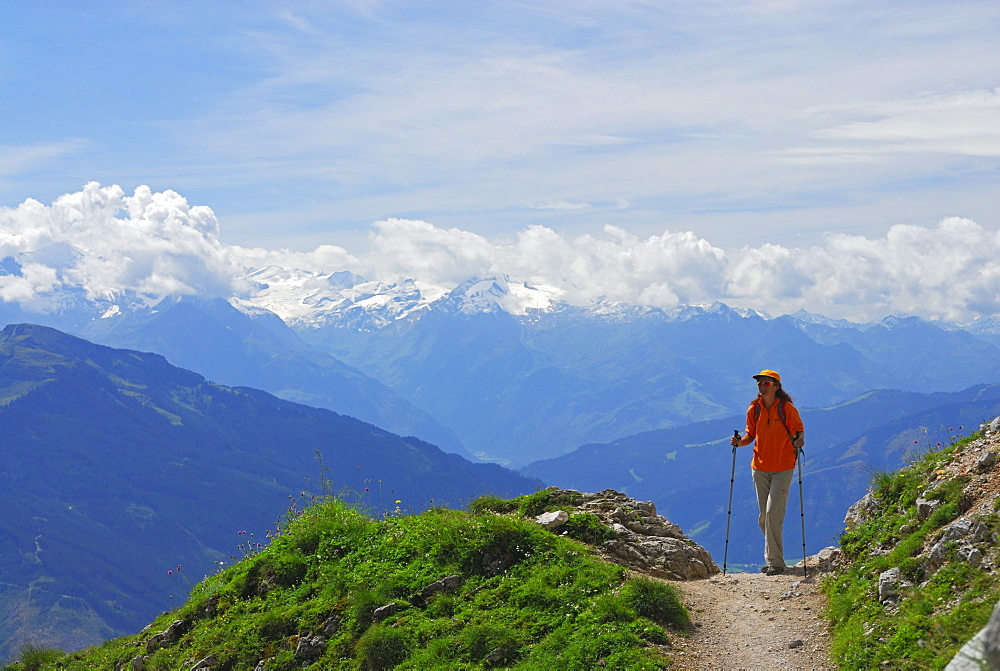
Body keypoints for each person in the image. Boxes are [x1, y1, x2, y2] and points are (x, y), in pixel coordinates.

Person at [730, 368, 805, 575]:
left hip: (782, 467)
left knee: (773, 514)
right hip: (760, 468)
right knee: (764, 517)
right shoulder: (754, 409)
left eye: (767, 384)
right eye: (760, 384)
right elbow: (750, 435)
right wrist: (739, 443)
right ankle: (776, 559)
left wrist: (799, 440)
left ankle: (775, 563)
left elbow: (799, 432)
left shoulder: (787, 409)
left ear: (777, 387)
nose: (762, 387)